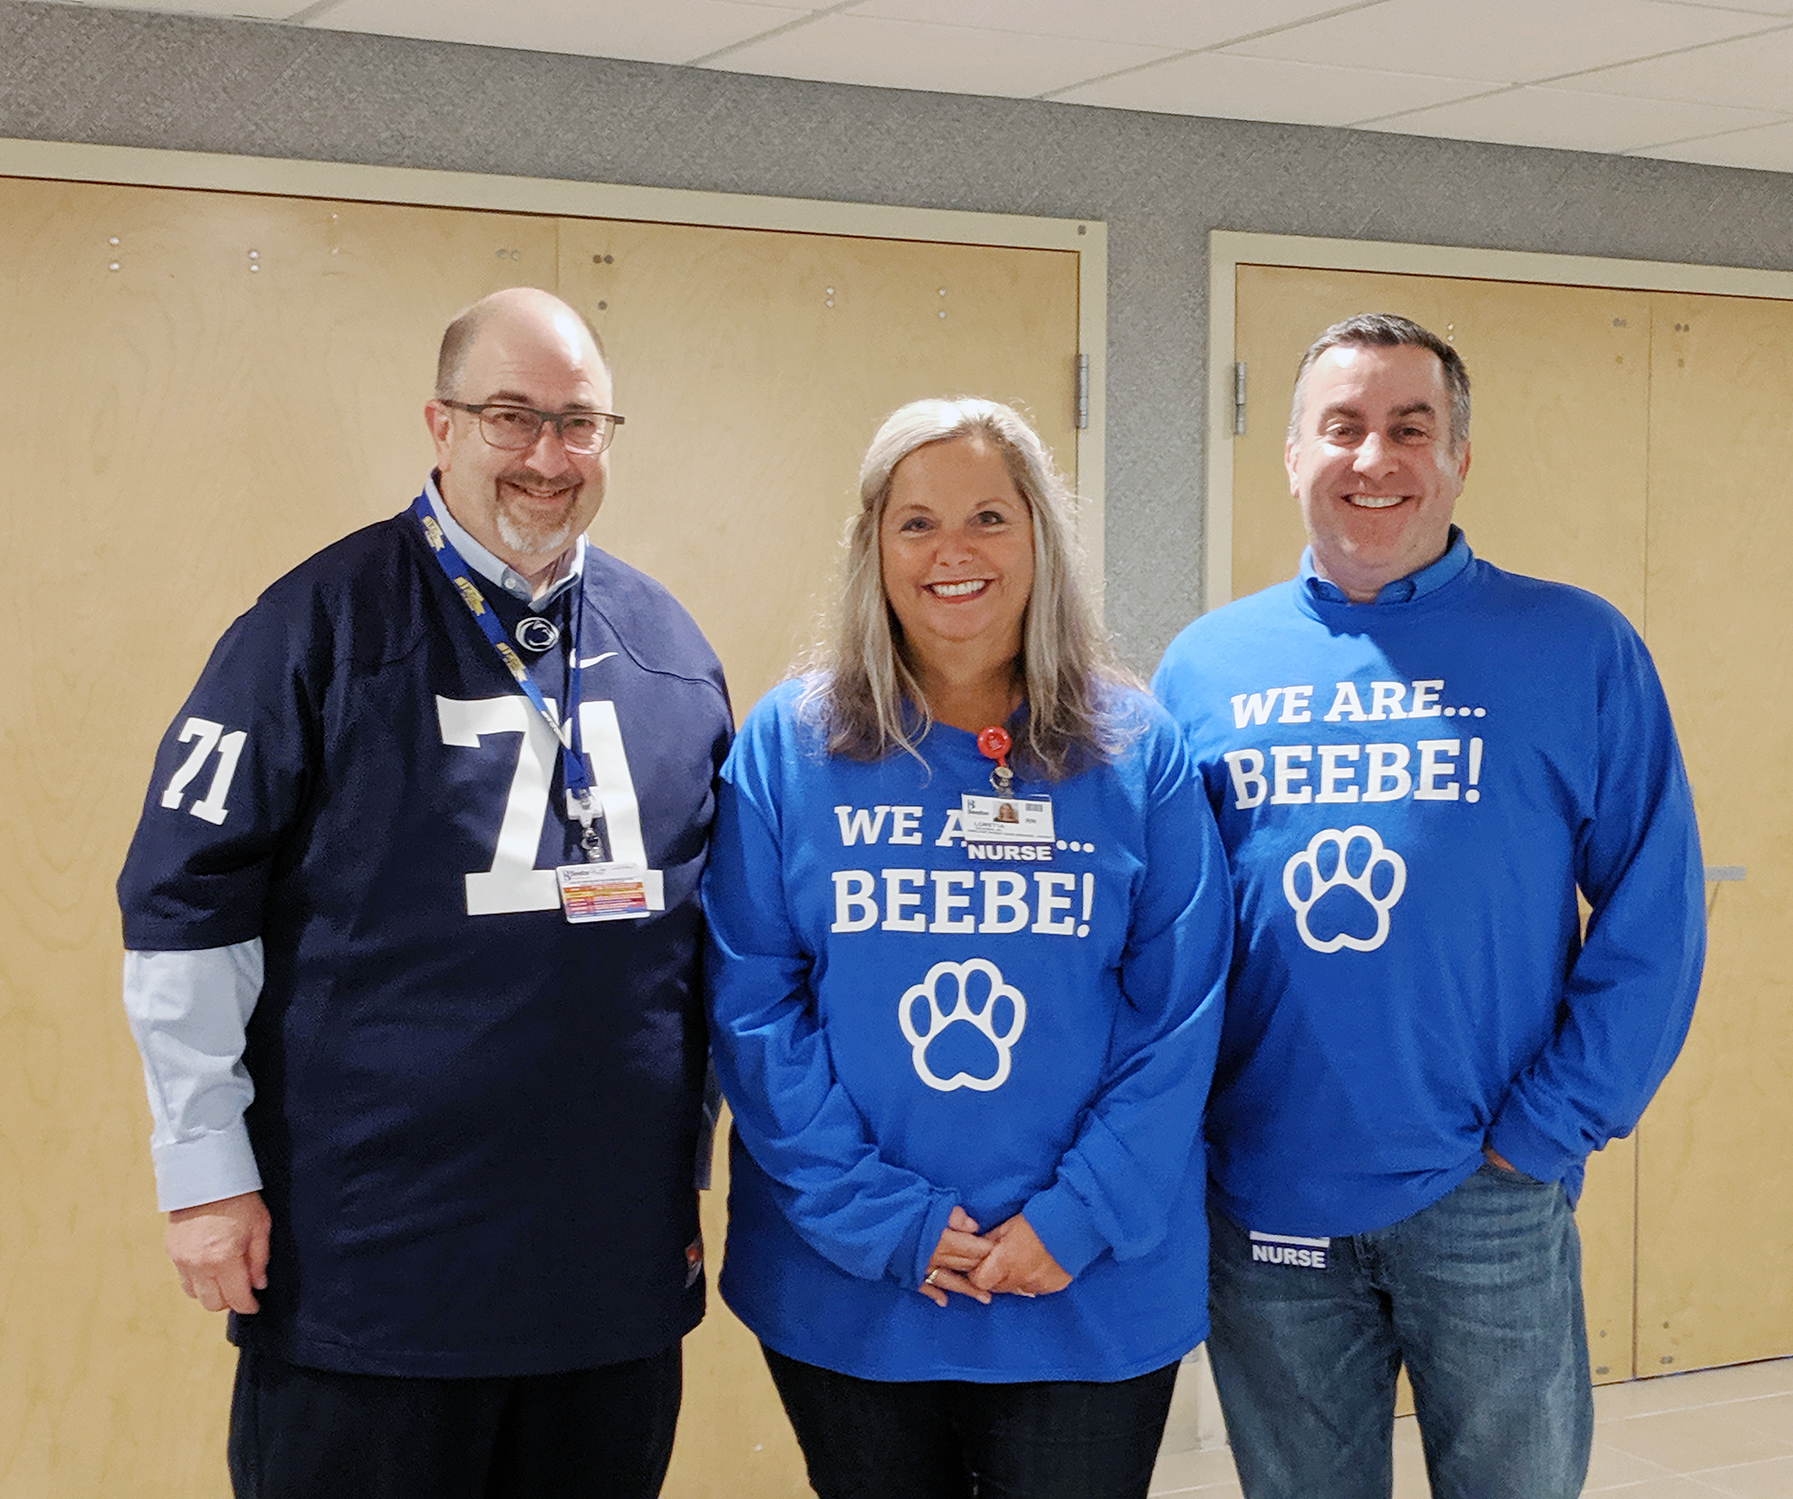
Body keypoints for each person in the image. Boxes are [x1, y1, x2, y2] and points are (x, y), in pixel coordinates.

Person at [117, 288, 732, 1498]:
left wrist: (692, 1179)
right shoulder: (314, 628)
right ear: (438, 424)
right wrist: (204, 1173)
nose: (548, 457)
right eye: (512, 416)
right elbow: (187, 905)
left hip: (604, 1284)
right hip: (372, 1279)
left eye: (580, 423)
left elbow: (708, 950)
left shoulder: (670, 650)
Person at [1152, 313, 1707, 1498]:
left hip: (1487, 1191)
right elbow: (1166, 935)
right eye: (1342, 426)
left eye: (1412, 427)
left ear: (1460, 457)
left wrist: (1546, 1132)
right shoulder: (1205, 665)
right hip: (1267, 1196)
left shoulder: (1576, 647)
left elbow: (1655, 912)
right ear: (1292, 453)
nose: (1375, 457)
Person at [703, 397, 1232, 1499]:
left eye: (990, 515)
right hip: (854, 1279)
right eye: (916, 522)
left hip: (1083, 1284)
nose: (955, 551)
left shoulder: (1138, 752)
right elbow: (753, 1006)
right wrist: (883, 1218)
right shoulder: (789, 747)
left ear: (1040, 535)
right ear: (872, 547)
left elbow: (1178, 1015)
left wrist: (1073, 1214)